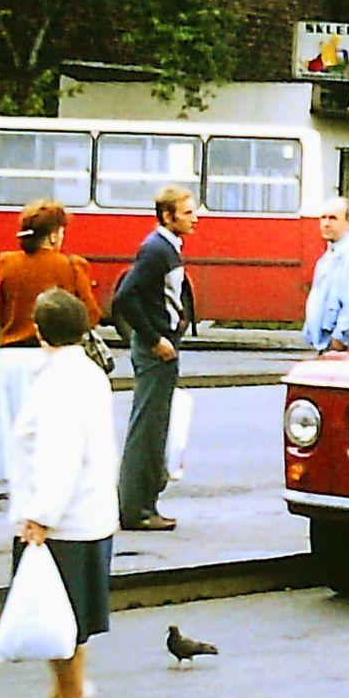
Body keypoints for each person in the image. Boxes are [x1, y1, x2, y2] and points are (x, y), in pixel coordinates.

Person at [10, 289, 118, 698]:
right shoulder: (87, 371)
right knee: (74, 614)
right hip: (89, 513)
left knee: (58, 614)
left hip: (64, 519)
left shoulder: (58, 381)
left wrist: (41, 516)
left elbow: (59, 454)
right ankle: (69, 690)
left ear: (38, 330)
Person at [0, 201, 102, 499]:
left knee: (18, 444)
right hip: (49, 357)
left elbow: (0, 310)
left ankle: (22, 507)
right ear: (53, 235)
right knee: (53, 440)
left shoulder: (7, 263)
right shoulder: (69, 266)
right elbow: (89, 315)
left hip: (10, 359)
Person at [116, 186, 198, 532]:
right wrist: (155, 339)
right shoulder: (155, 250)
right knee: (147, 430)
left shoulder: (167, 248)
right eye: (188, 212)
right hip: (155, 352)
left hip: (164, 348)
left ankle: (146, 503)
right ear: (168, 216)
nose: (195, 218)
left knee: (156, 427)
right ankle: (136, 509)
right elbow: (125, 297)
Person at [303, 196, 349, 354]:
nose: (326, 224)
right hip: (325, 344)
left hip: (339, 347)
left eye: (333, 218)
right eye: (323, 217)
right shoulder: (330, 255)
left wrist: (339, 341)